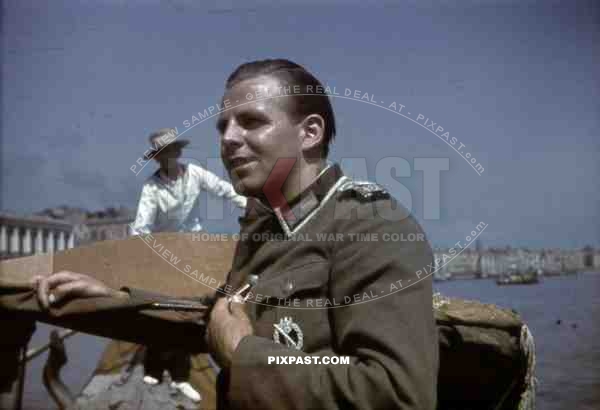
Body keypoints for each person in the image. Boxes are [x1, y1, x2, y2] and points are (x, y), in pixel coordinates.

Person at [33, 59, 439, 409]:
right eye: (223, 125)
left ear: (310, 133)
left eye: (252, 121)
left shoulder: (369, 225)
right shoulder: (266, 229)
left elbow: (395, 391)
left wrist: (246, 355)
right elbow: (221, 318)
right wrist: (114, 299)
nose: (228, 139)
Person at [131, 127, 247, 235]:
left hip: (195, 238)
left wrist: (249, 205)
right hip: (168, 242)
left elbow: (225, 189)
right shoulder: (151, 187)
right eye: (162, 153)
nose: (167, 156)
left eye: (170, 151)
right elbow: (142, 225)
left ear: (178, 152)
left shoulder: (195, 172)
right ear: (156, 158)